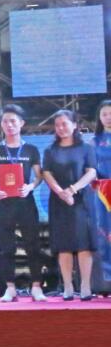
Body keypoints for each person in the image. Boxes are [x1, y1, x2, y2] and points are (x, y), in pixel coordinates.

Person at [0, 104, 46, 302]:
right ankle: (10, 288)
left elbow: (39, 176)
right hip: (4, 204)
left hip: (25, 202)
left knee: (33, 245)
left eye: (13, 121)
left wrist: (30, 186)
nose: (9, 125)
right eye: (5, 121)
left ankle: (36, 286)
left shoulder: (31, 149)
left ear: (21, 123)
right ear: (1, 124)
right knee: (6, 247)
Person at [41, 109, 98, 301]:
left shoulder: (86, 148)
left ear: (74, 125)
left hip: (81, 200)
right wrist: (61, 192)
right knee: (63, 245)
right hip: (59, 202)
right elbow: (46, 173)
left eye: (64, 124)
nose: (61, 128)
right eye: (57, 125)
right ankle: (67, 286)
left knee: (83, 244)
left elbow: (91, 172)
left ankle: (85, 286)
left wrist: (73, 190)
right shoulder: (50, 151)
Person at [90, 100, 111, 287]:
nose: (108, 117)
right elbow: (91, 169)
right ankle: (108, 276)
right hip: (104, 193)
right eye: (104, 114)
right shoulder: (94, 141)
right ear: (99, 118)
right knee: (105, 231)